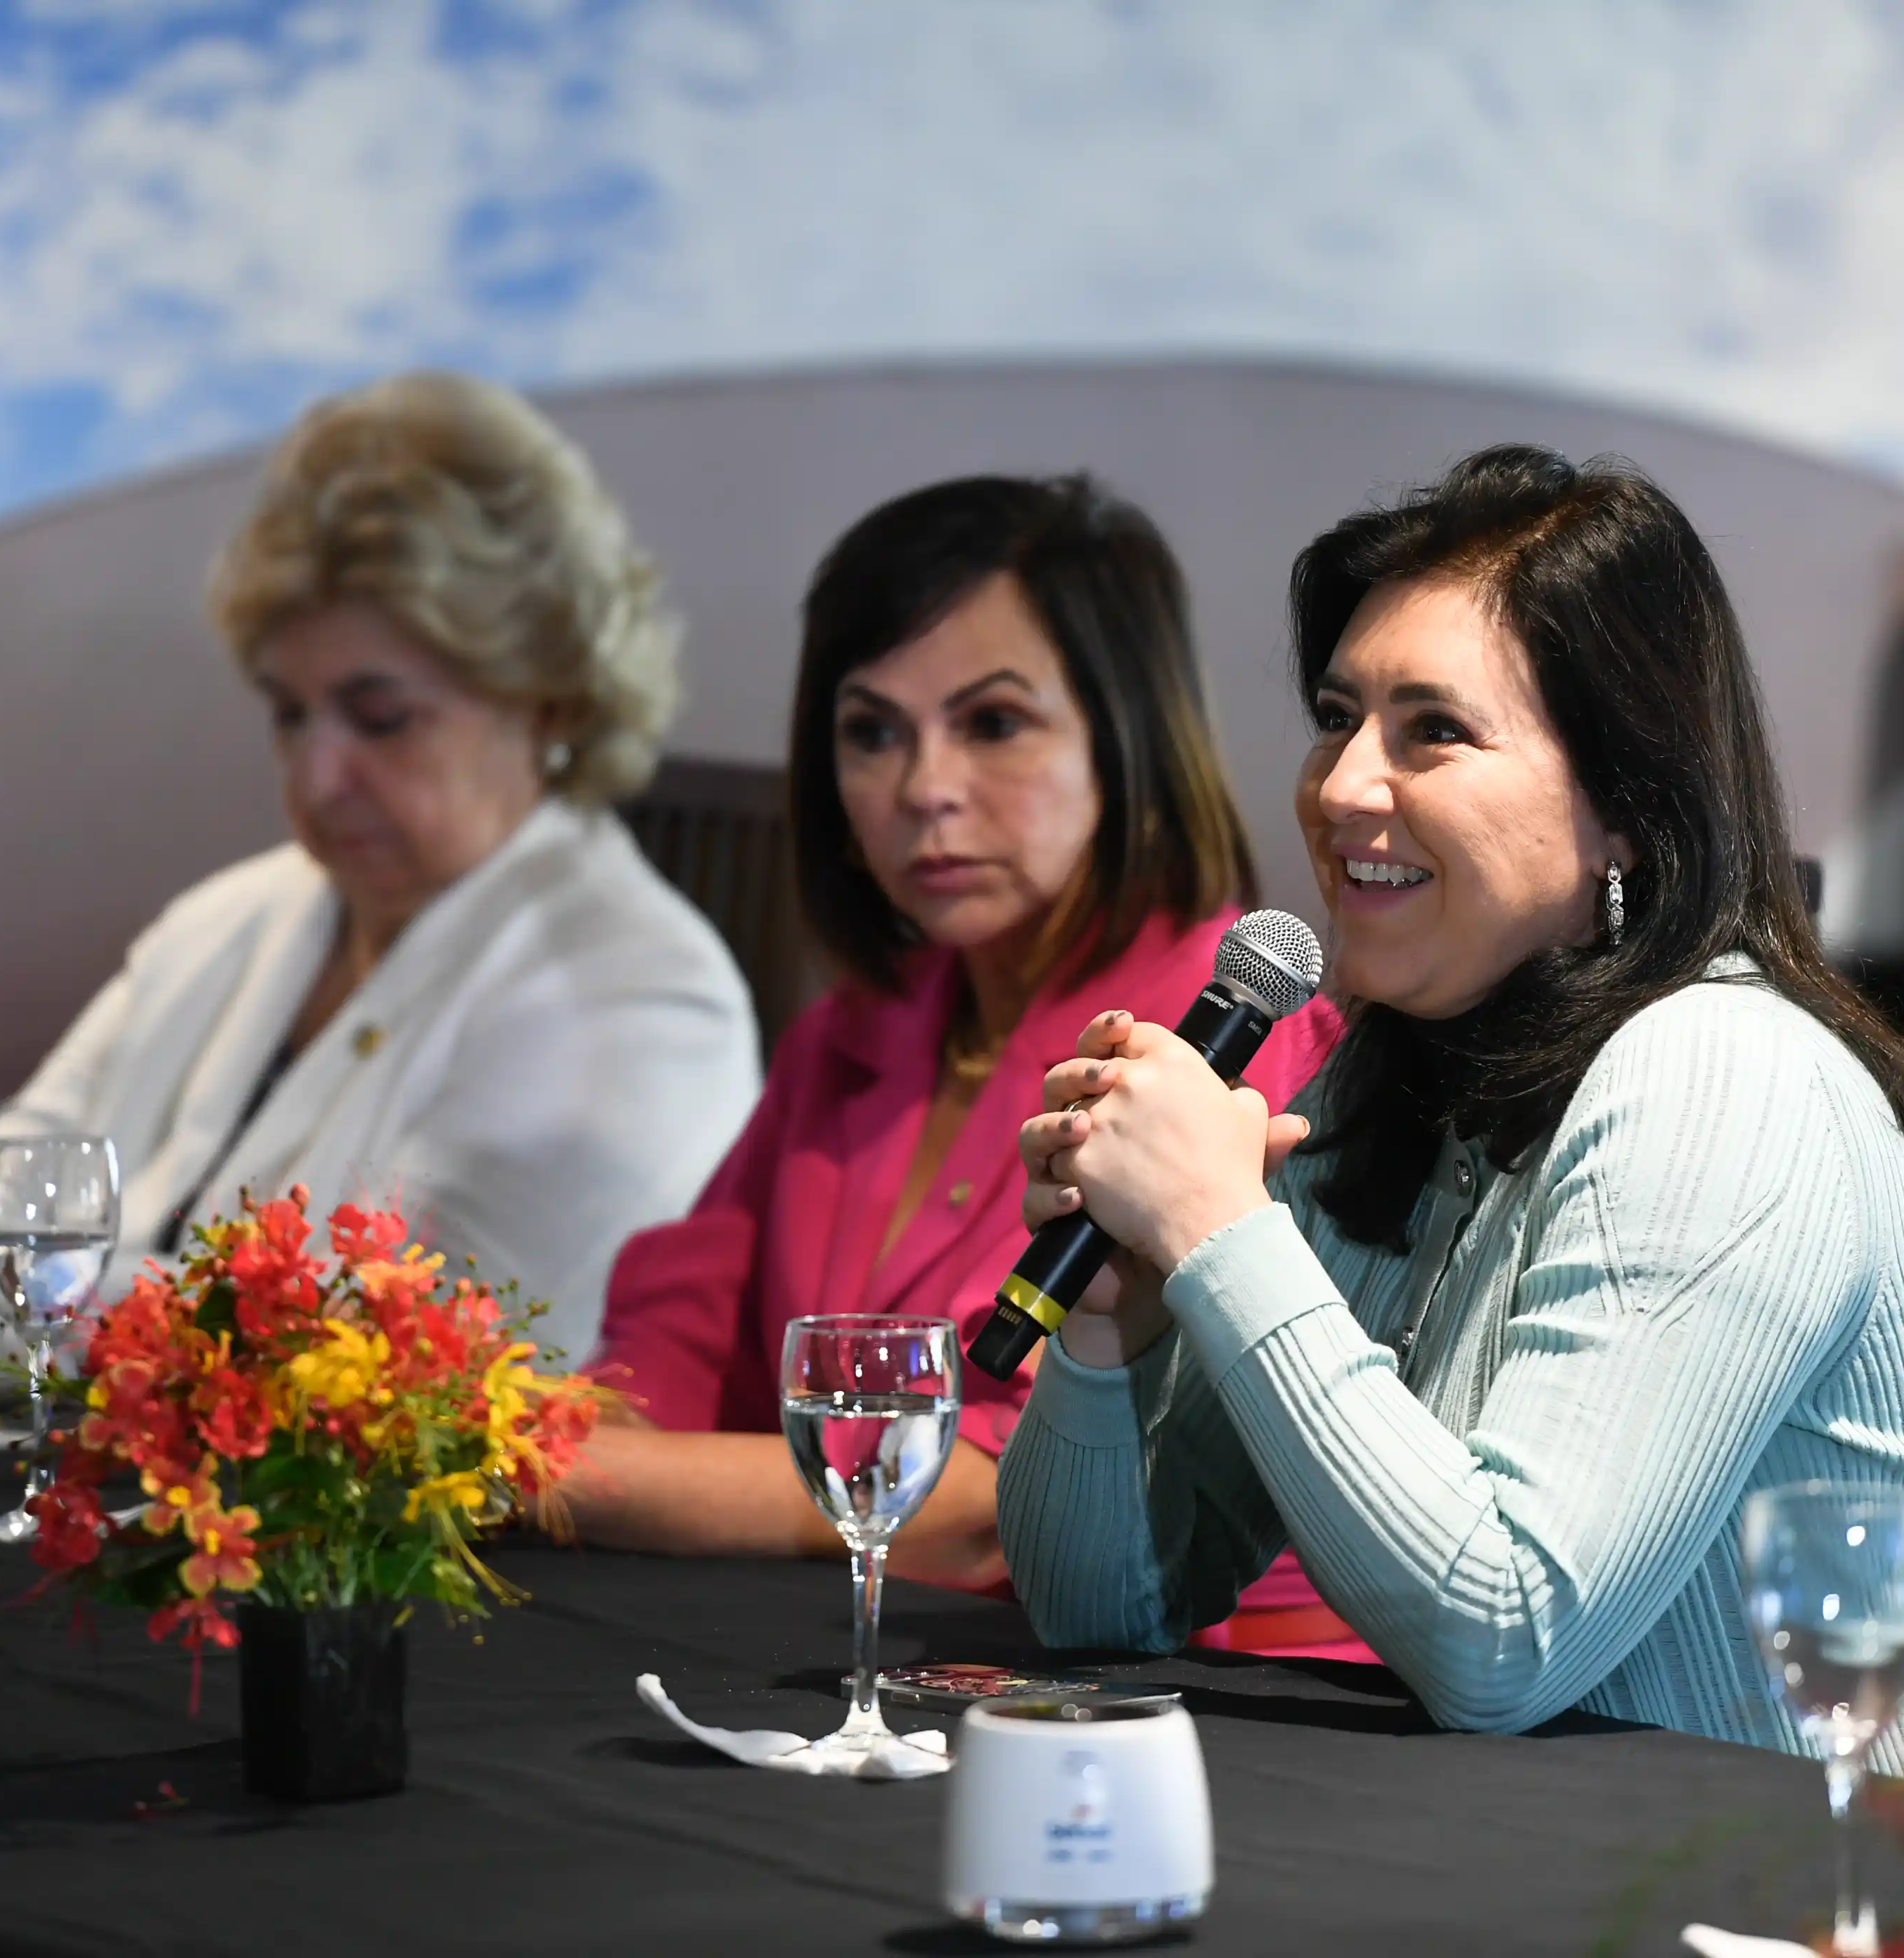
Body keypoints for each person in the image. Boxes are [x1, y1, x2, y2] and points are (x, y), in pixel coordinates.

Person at [998, 447, 1904, 1771]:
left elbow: (1502, 1640)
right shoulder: (1402, 1074)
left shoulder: (1725, 1076)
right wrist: (1109, 1332)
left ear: (1622, 812)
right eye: (1338, 715)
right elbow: (1099, 1614)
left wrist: (1219, 1231)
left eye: (1433, 730)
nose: (1340, 787)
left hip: (1843, 1898)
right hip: (1581, 1867)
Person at [0, 372, 763, 1393]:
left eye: (382, 718)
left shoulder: (636, 996)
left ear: (552, 701)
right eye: (290, 714)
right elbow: (9, 1190)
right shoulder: (231, 918)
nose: (318, 775)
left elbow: (391, 1366)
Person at [572, 474, 1355, 1647]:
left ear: (1122, 736)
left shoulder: (1226, 1032)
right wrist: (516, 1437)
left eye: (993, 724)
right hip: (878, 1672)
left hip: (1206, 1720)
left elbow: (984, 1509)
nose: (924, 789)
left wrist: (551, 1475)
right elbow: (672, 1352)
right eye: (872, 732)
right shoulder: (851, 1033)